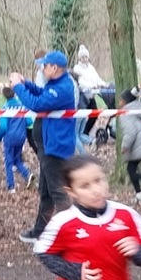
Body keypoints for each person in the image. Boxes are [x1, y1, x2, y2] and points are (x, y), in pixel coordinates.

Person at [12, 50, 81, 244]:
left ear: (55, 68)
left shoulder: (62, 88)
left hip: (55, 147)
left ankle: (73, 235)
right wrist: (26, 83)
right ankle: (40, 230)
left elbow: (37, 103)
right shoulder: (55, 84)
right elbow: (41, 93)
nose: (42, 69)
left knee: (57, 191)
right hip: (48, 145)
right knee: (46, 191)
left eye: (45, 65)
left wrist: (18, 87)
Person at [114, 87, 141, 203]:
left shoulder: (125, 113)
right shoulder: (138, 108)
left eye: (121, 99)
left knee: (131, 171)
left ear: (125, 101)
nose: (119, 102)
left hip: (136, 145)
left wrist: (125, 146)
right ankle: (139, 195)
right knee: (131, 169)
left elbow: (131, 132)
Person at [0, 84, 33, 191]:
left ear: (4, 96)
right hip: (21, 138)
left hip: (10, 138)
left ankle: (11, 186)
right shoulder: (22, 106)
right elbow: (29, 122)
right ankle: (27, 174)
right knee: (17, 159)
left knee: (9, 162)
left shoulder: (5, 108)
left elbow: (3, 126)